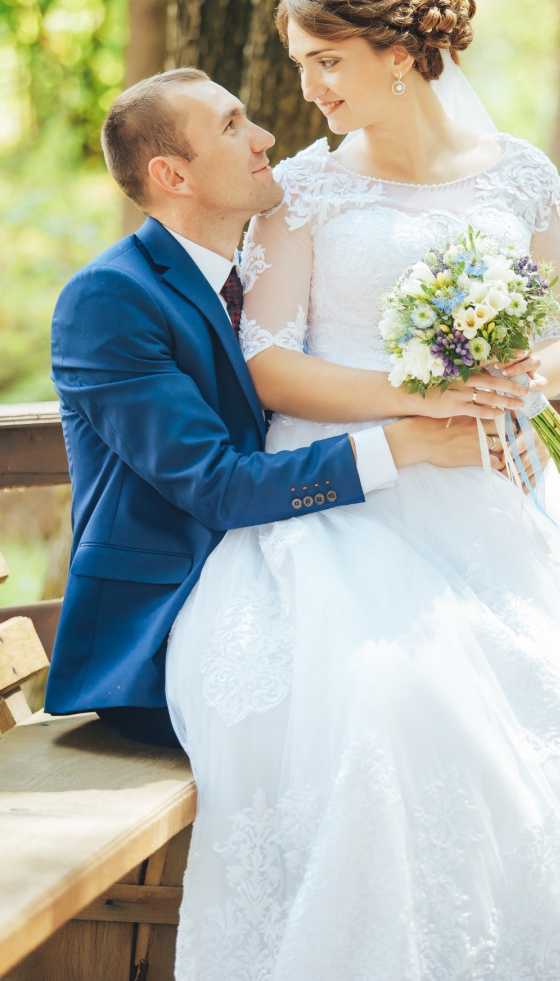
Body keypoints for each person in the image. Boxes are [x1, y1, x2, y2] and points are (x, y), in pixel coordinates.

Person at [166, 0, 560, 981]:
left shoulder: (520, 174)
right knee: (401, 703)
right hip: (346, 495)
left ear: (401, 50)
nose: (310, 87)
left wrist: (522, 382)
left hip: (501, 486)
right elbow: (270, 363)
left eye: (326, 60)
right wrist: (417, 403)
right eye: (299, 67)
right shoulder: (303, 192)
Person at [45, 66, 521, 747]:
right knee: (404, 698)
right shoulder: (110, 300)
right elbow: (217, 487)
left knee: (474, 652)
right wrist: (409, 443)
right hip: (166, 629)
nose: (264, 137)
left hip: (287, 575)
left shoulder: (261, 288)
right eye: (232, 127)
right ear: (173, 177)